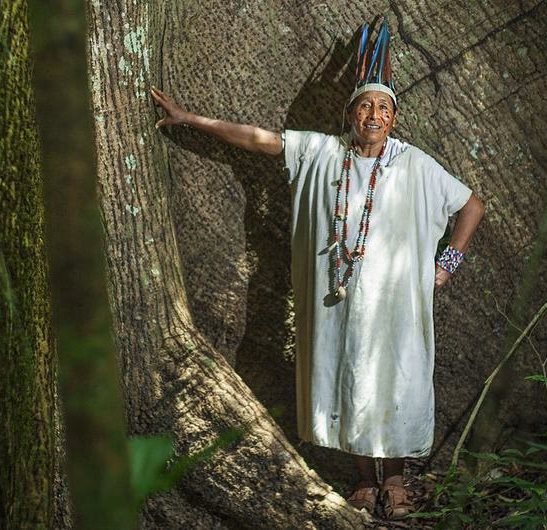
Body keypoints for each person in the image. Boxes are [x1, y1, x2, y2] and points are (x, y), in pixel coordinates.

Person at [150, 18, 485, 521]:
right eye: (366, 106)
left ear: (394, 118)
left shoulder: (414, 164)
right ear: (350, 113)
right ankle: (365, 482)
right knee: (346, 377)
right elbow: (261, 140)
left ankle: (394, 482)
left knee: (397, 379)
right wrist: (192, 120)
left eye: (384, 108)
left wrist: (447, 263)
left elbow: (472, 205)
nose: (374, 115)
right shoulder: (324, 152)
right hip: (339, 300)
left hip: (396, 305)